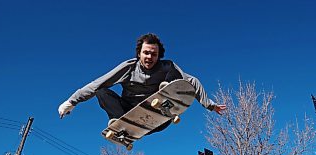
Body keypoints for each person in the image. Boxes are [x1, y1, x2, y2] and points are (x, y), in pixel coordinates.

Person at [58, 33, 226, 134]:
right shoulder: (129, 68)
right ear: (139, 53)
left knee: (173, 69)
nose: (149, 58)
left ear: (158, 55)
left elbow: (192, 82)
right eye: (146, 53)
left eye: (154, 54)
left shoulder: (166, 66)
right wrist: (72, 101)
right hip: (128, 110)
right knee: (102, 91)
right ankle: (118, 121)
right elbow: (97, 83)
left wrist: (210, 105)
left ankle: (165, 91)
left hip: (158, 115)